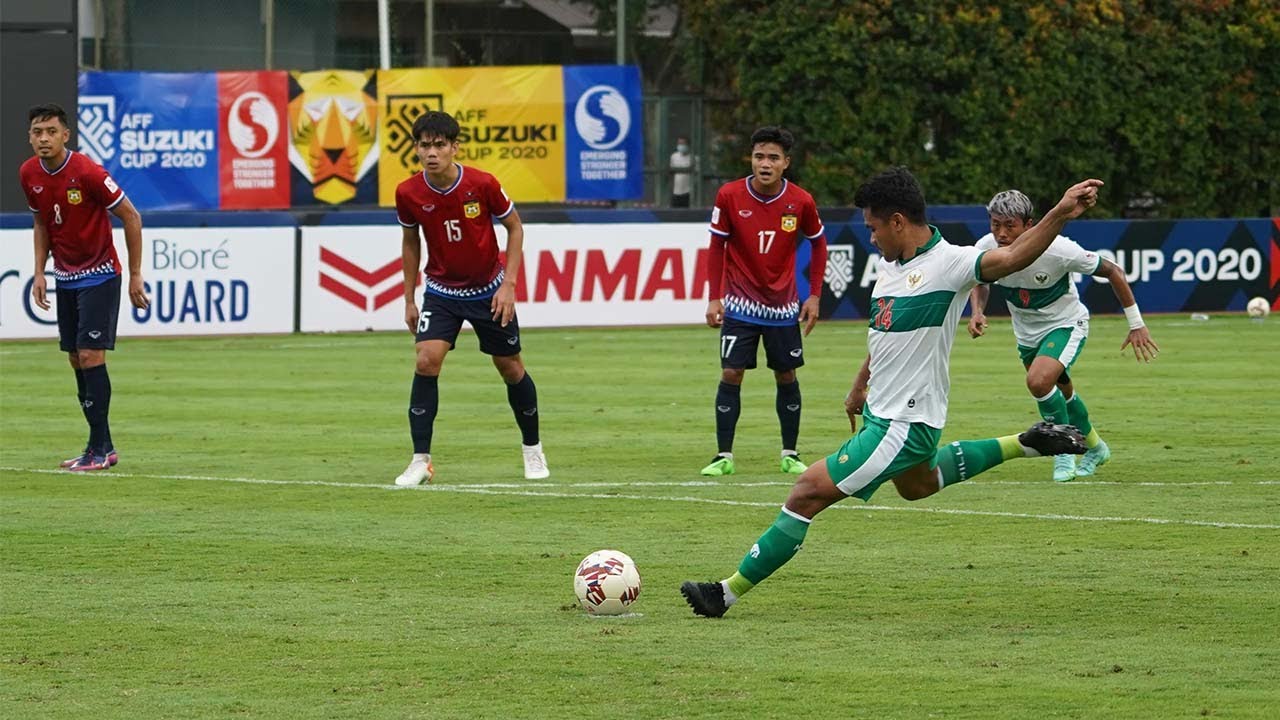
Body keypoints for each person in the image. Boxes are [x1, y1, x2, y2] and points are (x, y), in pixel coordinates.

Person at [681, 167, 1101, 617]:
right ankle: (1026, 442)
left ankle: (724, 594)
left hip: (903, 423)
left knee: (806, 491)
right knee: (918, 485)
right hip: (885, 413)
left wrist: (1061, 211)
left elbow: (1014, 256)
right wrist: (859, 385)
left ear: (898, 222)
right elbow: (884, 334)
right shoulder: (890, 267)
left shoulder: (951, 263)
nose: (871, 237)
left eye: (873, 227)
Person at [392, 110, 548, 485]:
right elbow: (410, 242)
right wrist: (409, 297)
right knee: (426, 360)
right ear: (416, 149)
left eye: (439, 145)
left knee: (510, 367)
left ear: (455, 147)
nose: (431, 153)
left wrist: (509, 285)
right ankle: (420, 460)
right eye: (424, 146)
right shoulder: (408, 192)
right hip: (441, 292)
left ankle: (533, 449)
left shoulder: (482, 184)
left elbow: (514, 228)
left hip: (488, 291)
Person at [968, 190, 1159, 481]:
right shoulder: (985, 247)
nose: (1001, 233)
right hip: (1027, 336)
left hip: (1066, 325)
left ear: (1029, 225)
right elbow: (980, 280)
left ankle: (1063, 453)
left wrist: (1136, 324)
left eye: (1009, 225)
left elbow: (1114, 271)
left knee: (1038, 381)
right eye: (995, 224)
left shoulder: (1059, 249)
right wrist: (977, 311)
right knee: (1064, 395)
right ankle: (1096, 448)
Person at [19, 103, 149, 472]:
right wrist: (39, 272)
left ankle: (102, 448)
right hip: (65, 277)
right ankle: (97, 446)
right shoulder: (29, 173)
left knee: (91, 356)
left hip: (100, 274)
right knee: (76, 358)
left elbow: (131, 216)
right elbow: (42, 223)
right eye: (37, 132)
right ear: (30, 137)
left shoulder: (88, 172)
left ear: (66, 135)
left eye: (51, 131)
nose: (44, 138)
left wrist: (135, 274)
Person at [701, 126, 829, 477]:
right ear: (751, 159)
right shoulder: (729, 195)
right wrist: (714, 297)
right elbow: (716, 246)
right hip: (740, 304)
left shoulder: (801, 201)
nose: (765, 164)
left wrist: (814, 295)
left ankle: (790, 453)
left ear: (786, 162)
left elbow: (819, 243)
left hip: (782, 307)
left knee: (786, 374)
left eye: (773, 157)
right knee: (731, 372)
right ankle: (723, 456)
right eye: (759, 156)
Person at [670, 136, 693, 207]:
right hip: (676, 192)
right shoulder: (674, 157)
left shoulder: (693, 158)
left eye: (683, 144)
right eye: (679, 143)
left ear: (688, 145)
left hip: (688, 192)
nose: (681, 146)